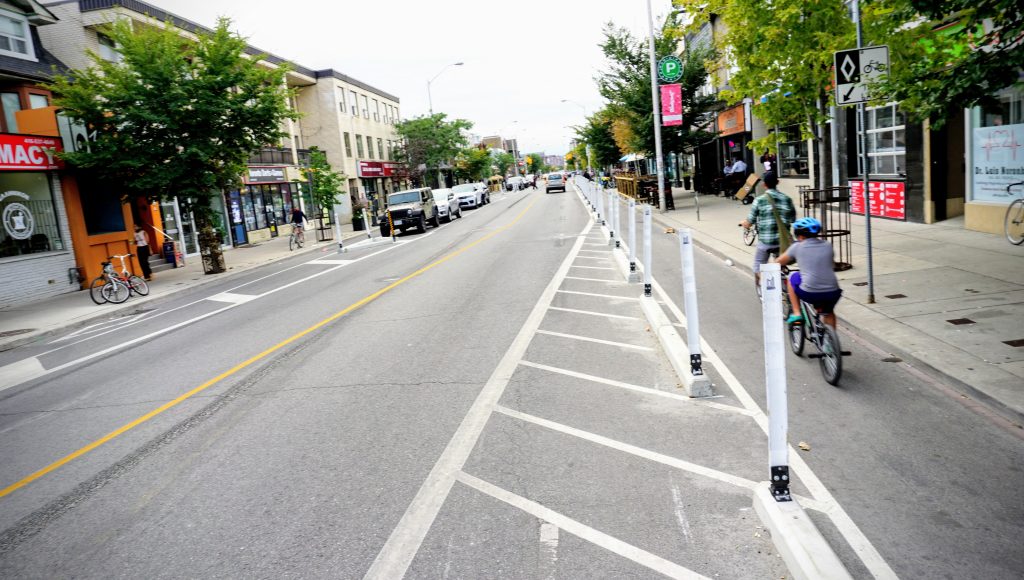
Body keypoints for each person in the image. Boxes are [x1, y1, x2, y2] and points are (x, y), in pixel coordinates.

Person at [778, 217, 842, 328]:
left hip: (810, 292)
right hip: (833, 292)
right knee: (829, 312)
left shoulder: (797, 247)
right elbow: (831, 265)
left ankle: (797, 313)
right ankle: (830, 342)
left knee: (793, 278)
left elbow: (778, 262)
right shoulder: (827, 245)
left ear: (800, 236)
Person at [738, 171, 795, 288]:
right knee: (781, 263)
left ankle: (764, 291)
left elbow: (749, 222)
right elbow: (792, 219)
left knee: (758, 265)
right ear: (778, 182)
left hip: (766, 242)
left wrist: (744, 223)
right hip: (784, 243)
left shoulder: (759, 200)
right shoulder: (787, 199)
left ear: (764, 185)